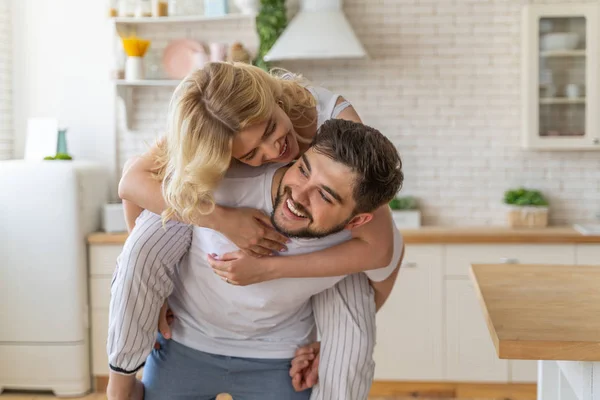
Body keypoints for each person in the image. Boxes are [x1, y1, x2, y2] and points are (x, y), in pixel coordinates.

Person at [114, 62, 403, 399]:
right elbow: (133, 184)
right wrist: (218, 220)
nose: (273, 151)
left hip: (285, 327)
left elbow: (381, 248)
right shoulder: (211, 125)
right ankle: (118, 388)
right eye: (250, 154)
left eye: (269, 129)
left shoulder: (333, 123)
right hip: (194, 329)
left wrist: (270, 270)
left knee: (352, 301)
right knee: (165, 216)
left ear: (271, 97)